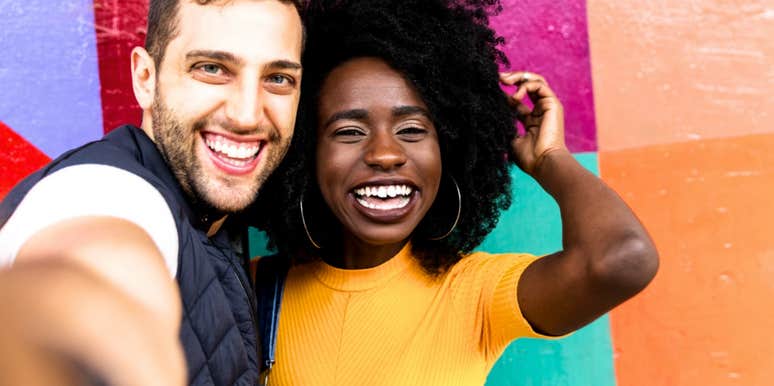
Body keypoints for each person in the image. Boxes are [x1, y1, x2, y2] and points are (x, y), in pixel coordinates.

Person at [255, 0, 659, 385]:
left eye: (412, 130)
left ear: (448, 148)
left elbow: (623, 260)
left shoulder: (473, 293)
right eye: (349, 132)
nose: (385, 154)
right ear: (303, 150)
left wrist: (550, 157)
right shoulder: (255, 288)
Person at [0, 1, 304, 385]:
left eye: (278, 78)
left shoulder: (222, 219)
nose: (247, 115)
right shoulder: (109, 193)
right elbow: (94, 267)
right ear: (146, 77)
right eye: (211, 69)